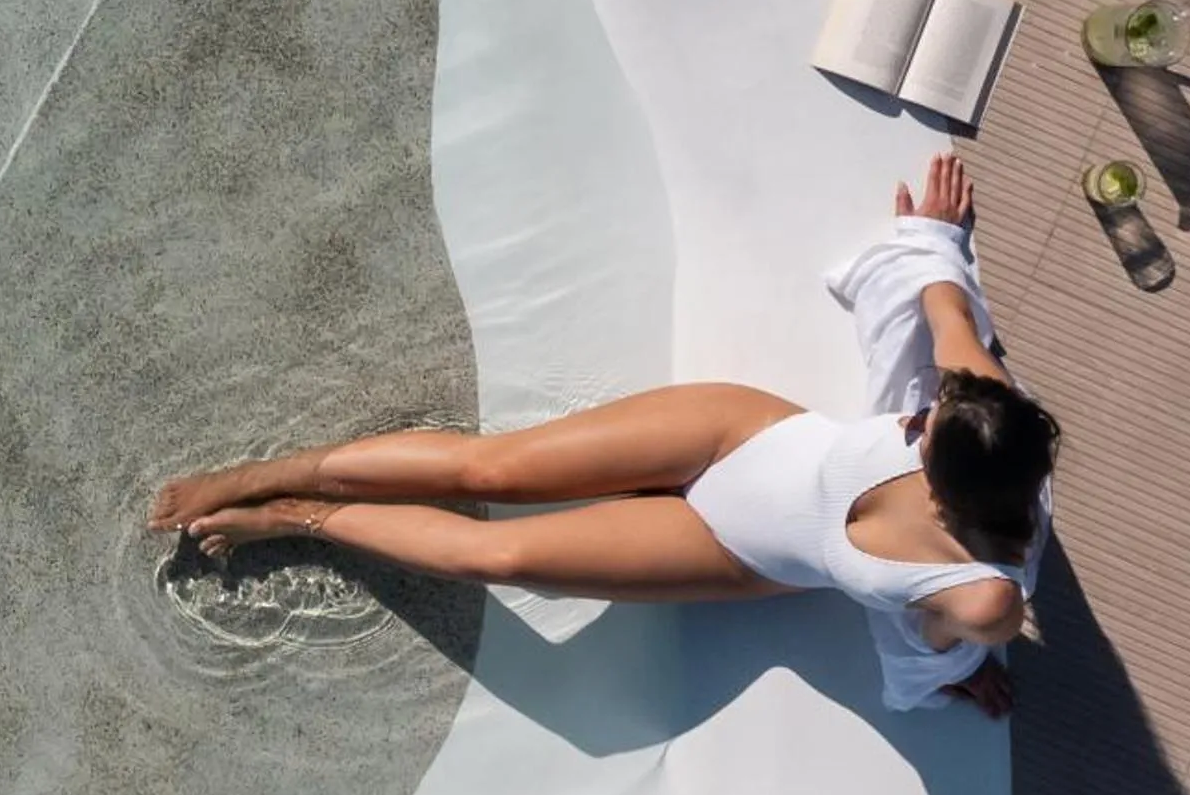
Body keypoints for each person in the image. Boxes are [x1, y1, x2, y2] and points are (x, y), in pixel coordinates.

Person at [147, 153, 1057, 716]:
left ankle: (301, 517)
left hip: (733, 550)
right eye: (928, 408)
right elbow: (940, 304)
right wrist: (933, 236)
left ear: (942, 493)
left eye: (920, 429)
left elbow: (926, 636)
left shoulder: (979, 597)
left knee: (490, 560)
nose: (915, 409)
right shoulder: (984, 407)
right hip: (736, 434)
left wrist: (954, 673)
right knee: (486, 467)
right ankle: (260, 471)